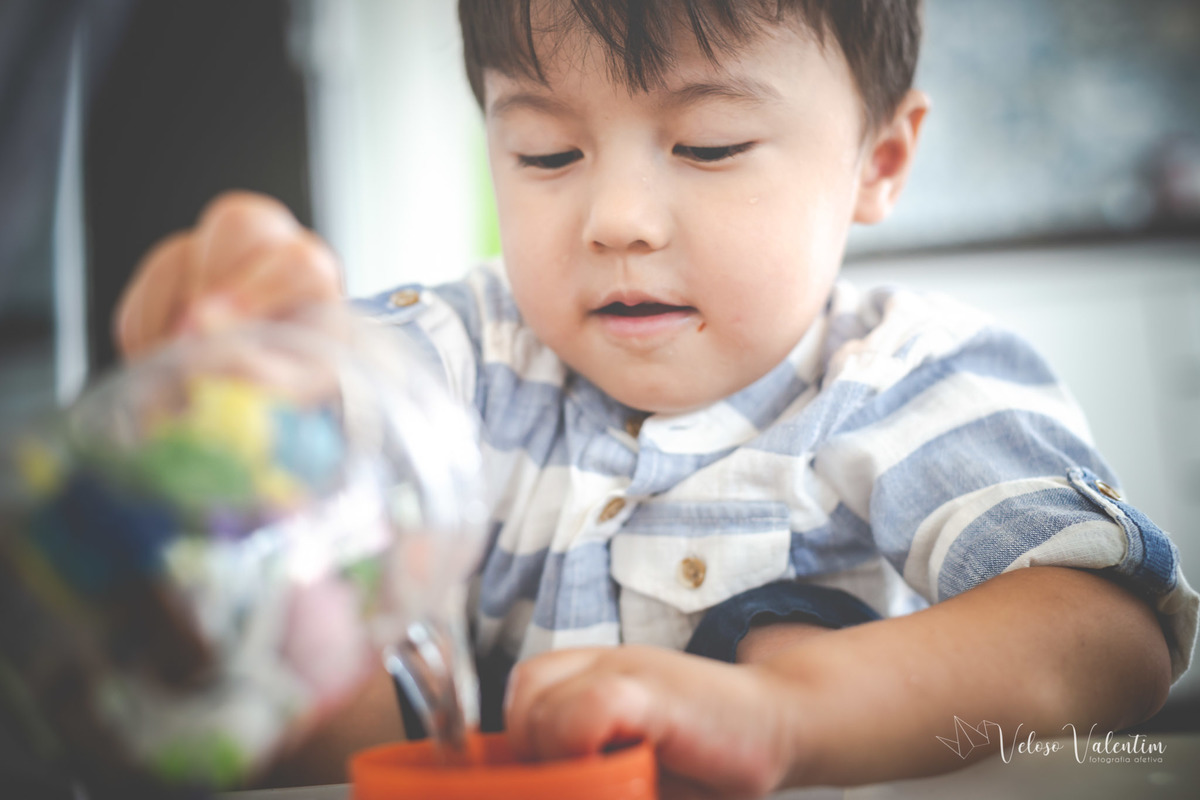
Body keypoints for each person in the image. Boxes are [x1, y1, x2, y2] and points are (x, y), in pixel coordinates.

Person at [114, 0, 1197, 796]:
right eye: (547, 152)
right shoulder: (466, 348)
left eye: (708, 144)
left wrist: (787, 714)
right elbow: (294, 410)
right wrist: (218, 347)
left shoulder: (905, 374)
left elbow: (1109, 635)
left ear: (880, 157)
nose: (617, 217)